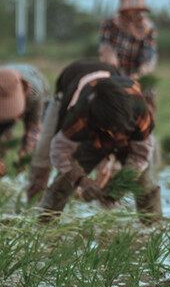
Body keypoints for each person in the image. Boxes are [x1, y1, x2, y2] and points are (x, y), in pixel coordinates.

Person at [25, 60, 158, 222]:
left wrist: (120, 184)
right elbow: (60, 152)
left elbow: (141, 154)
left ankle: (153, 227)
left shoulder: (139, 108)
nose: (112, 135)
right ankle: (43, 224)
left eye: (115, 130)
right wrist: (82, 180)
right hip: (91, 134)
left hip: (127, 134)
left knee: (144, 181)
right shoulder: (80, 114)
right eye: (108, 130)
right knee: (64, 182)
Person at [98, 0, 157, 80]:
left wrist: (138, 75)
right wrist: (116, 72)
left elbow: (148, 58)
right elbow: (106, 49)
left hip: (137, 76)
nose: (134, 13)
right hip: (113, 73)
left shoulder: (148, 29)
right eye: (130, 10)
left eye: (138, 10)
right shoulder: (109, 24)